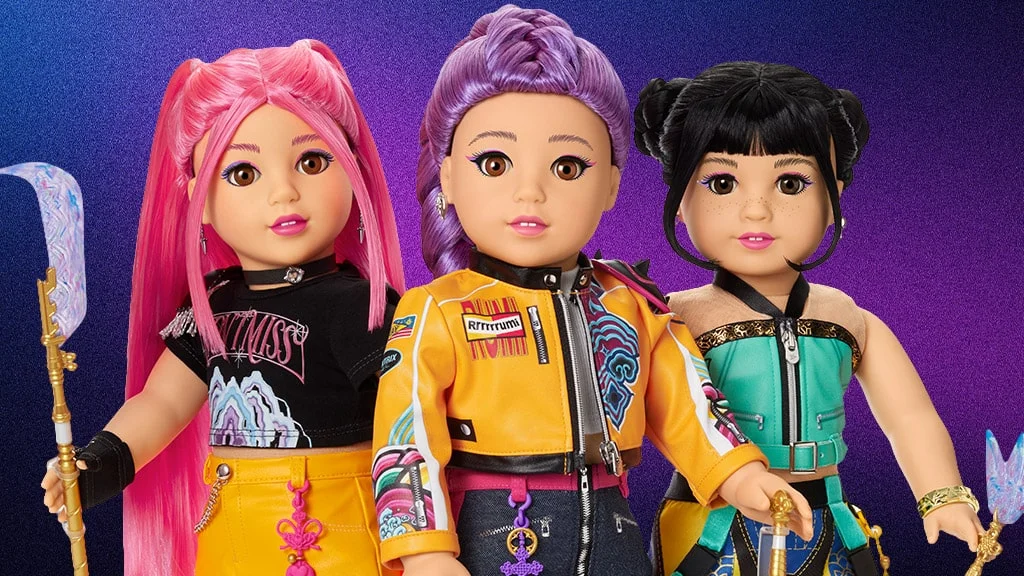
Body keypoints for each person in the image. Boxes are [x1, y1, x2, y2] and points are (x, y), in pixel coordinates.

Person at [370, 7, 812, 576]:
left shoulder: (630, 302)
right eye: (495, 163)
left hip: (610, 520)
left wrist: (741, 474)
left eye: (568, 167)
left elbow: (689, 402)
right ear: (449, 177)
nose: (530, 192)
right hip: (496, 527)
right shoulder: (438, 309)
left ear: (611, 184)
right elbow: (405, 435)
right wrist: (423, 549)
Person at [41, 40, 405, 576]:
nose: (284, 192)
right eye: (243, 174)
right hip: (228, 529)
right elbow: (164, 402)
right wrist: (102, 461)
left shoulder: (358, 304)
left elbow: (410, 418)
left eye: (311, 161)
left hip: (332, 530)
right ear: (199, 198)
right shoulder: (212, 305)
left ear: (352, 169)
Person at [634, 61, 984, 575]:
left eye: (791, 183)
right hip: (712, 520)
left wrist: (942, 495)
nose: (757, 210)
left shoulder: (846, 319)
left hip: (827, 519)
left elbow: (909, 417)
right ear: (681, 200)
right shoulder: (672, 318)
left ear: (833, 196)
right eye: (722, 182)